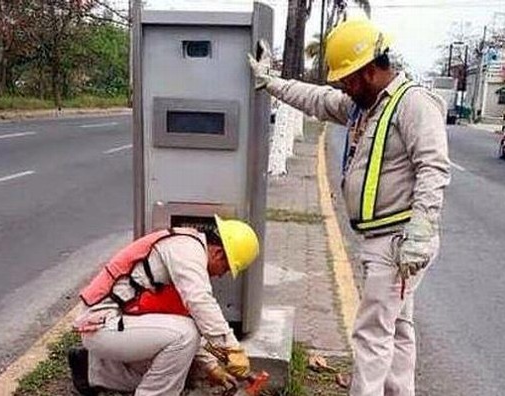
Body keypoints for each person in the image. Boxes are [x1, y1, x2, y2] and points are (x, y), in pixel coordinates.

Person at [248, 18, 450, 396]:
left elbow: (433, 168)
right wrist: (270, 82)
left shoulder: (413, 104)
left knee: (372, 334)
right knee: (398, 328)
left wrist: (420, 235)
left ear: (371, 70)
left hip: (399, 241)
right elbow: (316, 99)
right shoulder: (364, 106)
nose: (342, 85)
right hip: (384, 240)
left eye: (348, 78)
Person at [68, 215, 260, 396]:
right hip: (102, 325)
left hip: (111, 324)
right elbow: (200, 302)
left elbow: (188, 315)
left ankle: (92, 370)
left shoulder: (183, 251)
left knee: (176, 372)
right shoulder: (187, 250)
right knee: (185, 336)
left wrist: (211, 366)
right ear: (218, 253)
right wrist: (232, 349)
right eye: (226, 268)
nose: (220, 275)